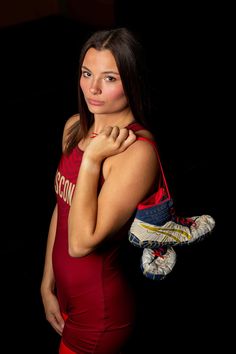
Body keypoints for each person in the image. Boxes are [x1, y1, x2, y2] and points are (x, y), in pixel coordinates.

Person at [40, 27, 161, 354]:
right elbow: (63, 206)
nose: (92, 88)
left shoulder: (138, 153)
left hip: (100, 312)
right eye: (86, 73)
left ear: (132, 81)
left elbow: (81, 243)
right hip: (65, 297)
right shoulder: (75, 126)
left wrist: (91, 159)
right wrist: (46, 283)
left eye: (109, 78)